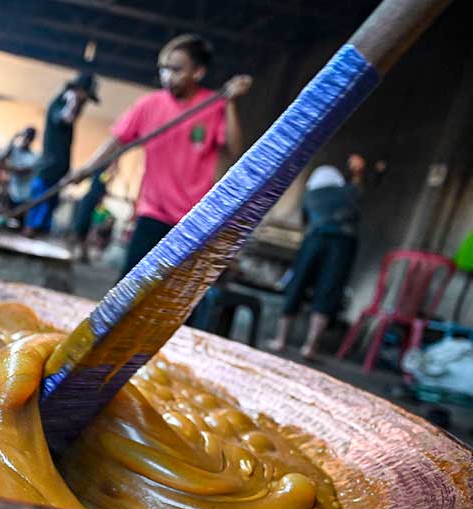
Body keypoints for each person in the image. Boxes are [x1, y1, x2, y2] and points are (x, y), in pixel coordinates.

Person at [66, 34, 251, 275]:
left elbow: (235, 149)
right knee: (129, 291)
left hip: (194, 220)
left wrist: (230, 103)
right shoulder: (149, 105)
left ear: (198, 72)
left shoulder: (213, 106)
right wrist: (87, 169)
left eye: (176, 70)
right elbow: (117, 140)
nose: (166, 76)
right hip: (153, 212)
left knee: (173, 300)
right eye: (163, 69)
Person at [266, 157, 366, 359]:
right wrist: (357, 171)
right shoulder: (347, 191)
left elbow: (305, 222)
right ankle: (311, 346)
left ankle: (281, 340)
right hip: (342, 243)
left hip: (315, 240)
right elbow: (358, 190)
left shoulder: (311, 195)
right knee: (328, 290)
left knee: (297, 284)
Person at [24, 72, 99, 237]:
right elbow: (66, 117)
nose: (84, 104)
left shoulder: (66, 106)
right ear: (78, 92)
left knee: (47, 212)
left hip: (57, 174)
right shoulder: (59, 104)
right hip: (47, 172)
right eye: (84, 99)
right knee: (37, 213)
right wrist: (74, 102)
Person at [70, 161, 118, 262]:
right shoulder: (100, 172)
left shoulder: (103, 174)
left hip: (94, 202)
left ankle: (82, 253)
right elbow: (106, 178)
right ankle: (77, 252)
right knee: (82, 227)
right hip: (90, 201)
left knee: (86, 229)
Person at [3, 127, 38, 221]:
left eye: (28, 138)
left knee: (19, 218)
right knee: (7, 218)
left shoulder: (32, 157)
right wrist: (12, 139)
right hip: (12, 191)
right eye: (24, 136)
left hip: (24, 195)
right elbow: (1, 157)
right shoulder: (14, 150)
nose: (25, 139)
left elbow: (20, 171)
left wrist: (7, 167)